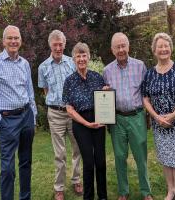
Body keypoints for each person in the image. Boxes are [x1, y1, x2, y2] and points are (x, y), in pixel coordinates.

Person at [0, 25, 37, 200]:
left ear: (21, 41)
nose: (13, 41)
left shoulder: (25, 63)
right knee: (7, 168)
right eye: (10, 38)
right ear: (3, 41)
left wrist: (33, 115)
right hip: (7, 120)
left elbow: (30, 92)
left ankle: (25, 197)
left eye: (16, 38)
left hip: (26, 116)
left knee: (26, 162)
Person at [141, 33, 175, 200]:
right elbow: (145, 98)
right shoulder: (149, 74)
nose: (163, 49)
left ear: (171, 48)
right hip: (159, 124)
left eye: (166, 46)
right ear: (154, 51)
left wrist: (173, 115)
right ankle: (170, 191)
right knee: (165, 157)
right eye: (160, 47)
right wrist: (156, 117)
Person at [103, 32, 153, 200]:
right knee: (119, 156)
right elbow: (105, 96)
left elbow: (147, 94)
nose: (121, 49)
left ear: (128, 46)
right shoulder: (107, 70)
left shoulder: (140, 66)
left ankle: (146, 192)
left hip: (136, 117)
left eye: (123, 45)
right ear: (112, 50)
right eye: (117, 47)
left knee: (141, 157)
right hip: (117, 119)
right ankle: (123, 192)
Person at [38, 30, 82, 200]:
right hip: (55, 114)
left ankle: (77, 180)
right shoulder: (43, 67)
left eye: (61, 44)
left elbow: (78, 86)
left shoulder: (72, 63)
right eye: (55, 44)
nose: (58, 47)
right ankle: (59, 187)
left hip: (72, 112)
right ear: (50, 45)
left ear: (65, 44)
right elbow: (46, 90)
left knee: (77, 148)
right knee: (59, 153)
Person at [62, 42, 107, 200]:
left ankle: (103, 196)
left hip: (99, 120)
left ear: (88, 57)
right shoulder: (69, 81)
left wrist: (106, 93)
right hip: (81, 124)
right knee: (88, 163)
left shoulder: (97, 77)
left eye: (84, 55)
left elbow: (105, 99)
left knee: (100, 162)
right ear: (74, 59)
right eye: (78, 56)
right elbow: (69, 109)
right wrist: (87, 123)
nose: (81, 59)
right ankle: (88, 197)